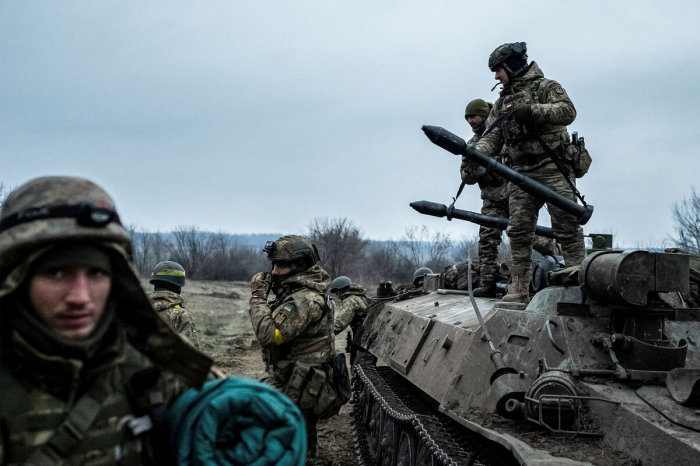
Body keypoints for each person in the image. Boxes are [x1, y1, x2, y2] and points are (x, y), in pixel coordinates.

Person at [0, 176, 212, 466]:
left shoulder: (153, 372)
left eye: (96, 273)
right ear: (16, 278)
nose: (80, 296)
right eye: (57, 273)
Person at [469, 42, 585, 304]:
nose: (496, 76)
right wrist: (476, 155)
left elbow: (568, 111)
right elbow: (493, 136)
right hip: (520, 173)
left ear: (511, 65)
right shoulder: (501, 103)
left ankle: (581, 283)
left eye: (498, 70)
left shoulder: (545, 87)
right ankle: (518, 288)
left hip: (552, 167)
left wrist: (531, 111)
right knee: (519, 230)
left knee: (567, 226)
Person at [249, 235, 345, 460]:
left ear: (300, 266)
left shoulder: (303, 300)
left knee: (283, 439)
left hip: (296, 385)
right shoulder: (305, 293)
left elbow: (269, 335)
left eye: (282, 265)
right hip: (298, 382)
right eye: (273, 264)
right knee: (300, 438)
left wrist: (258, 297)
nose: (274, 271)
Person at [462, 98, 563, 297]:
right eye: (467, 119)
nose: (470, 122)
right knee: (487, 239)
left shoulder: (505, 135)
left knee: (527, 235)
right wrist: (475, 169)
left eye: (473, 117)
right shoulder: (472, 145)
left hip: (515, 195)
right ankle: (488, 282)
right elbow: (466, 177)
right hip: (492, 199)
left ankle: (560, 263)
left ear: (484, 115)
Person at [148, 261, 200, 348]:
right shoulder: (181, 316)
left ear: (155, 285)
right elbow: (192, 353)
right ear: (179, 287)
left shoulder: (140, 308)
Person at [330, 276, 376, 366]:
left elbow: (339, 324)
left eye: (337, 293)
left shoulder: (350, 300)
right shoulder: (360, 297)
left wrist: (323, 334)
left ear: (340, 290)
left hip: (363, 339)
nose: (338, 297)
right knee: (367, 368)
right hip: (370, 339)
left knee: (358, 370)